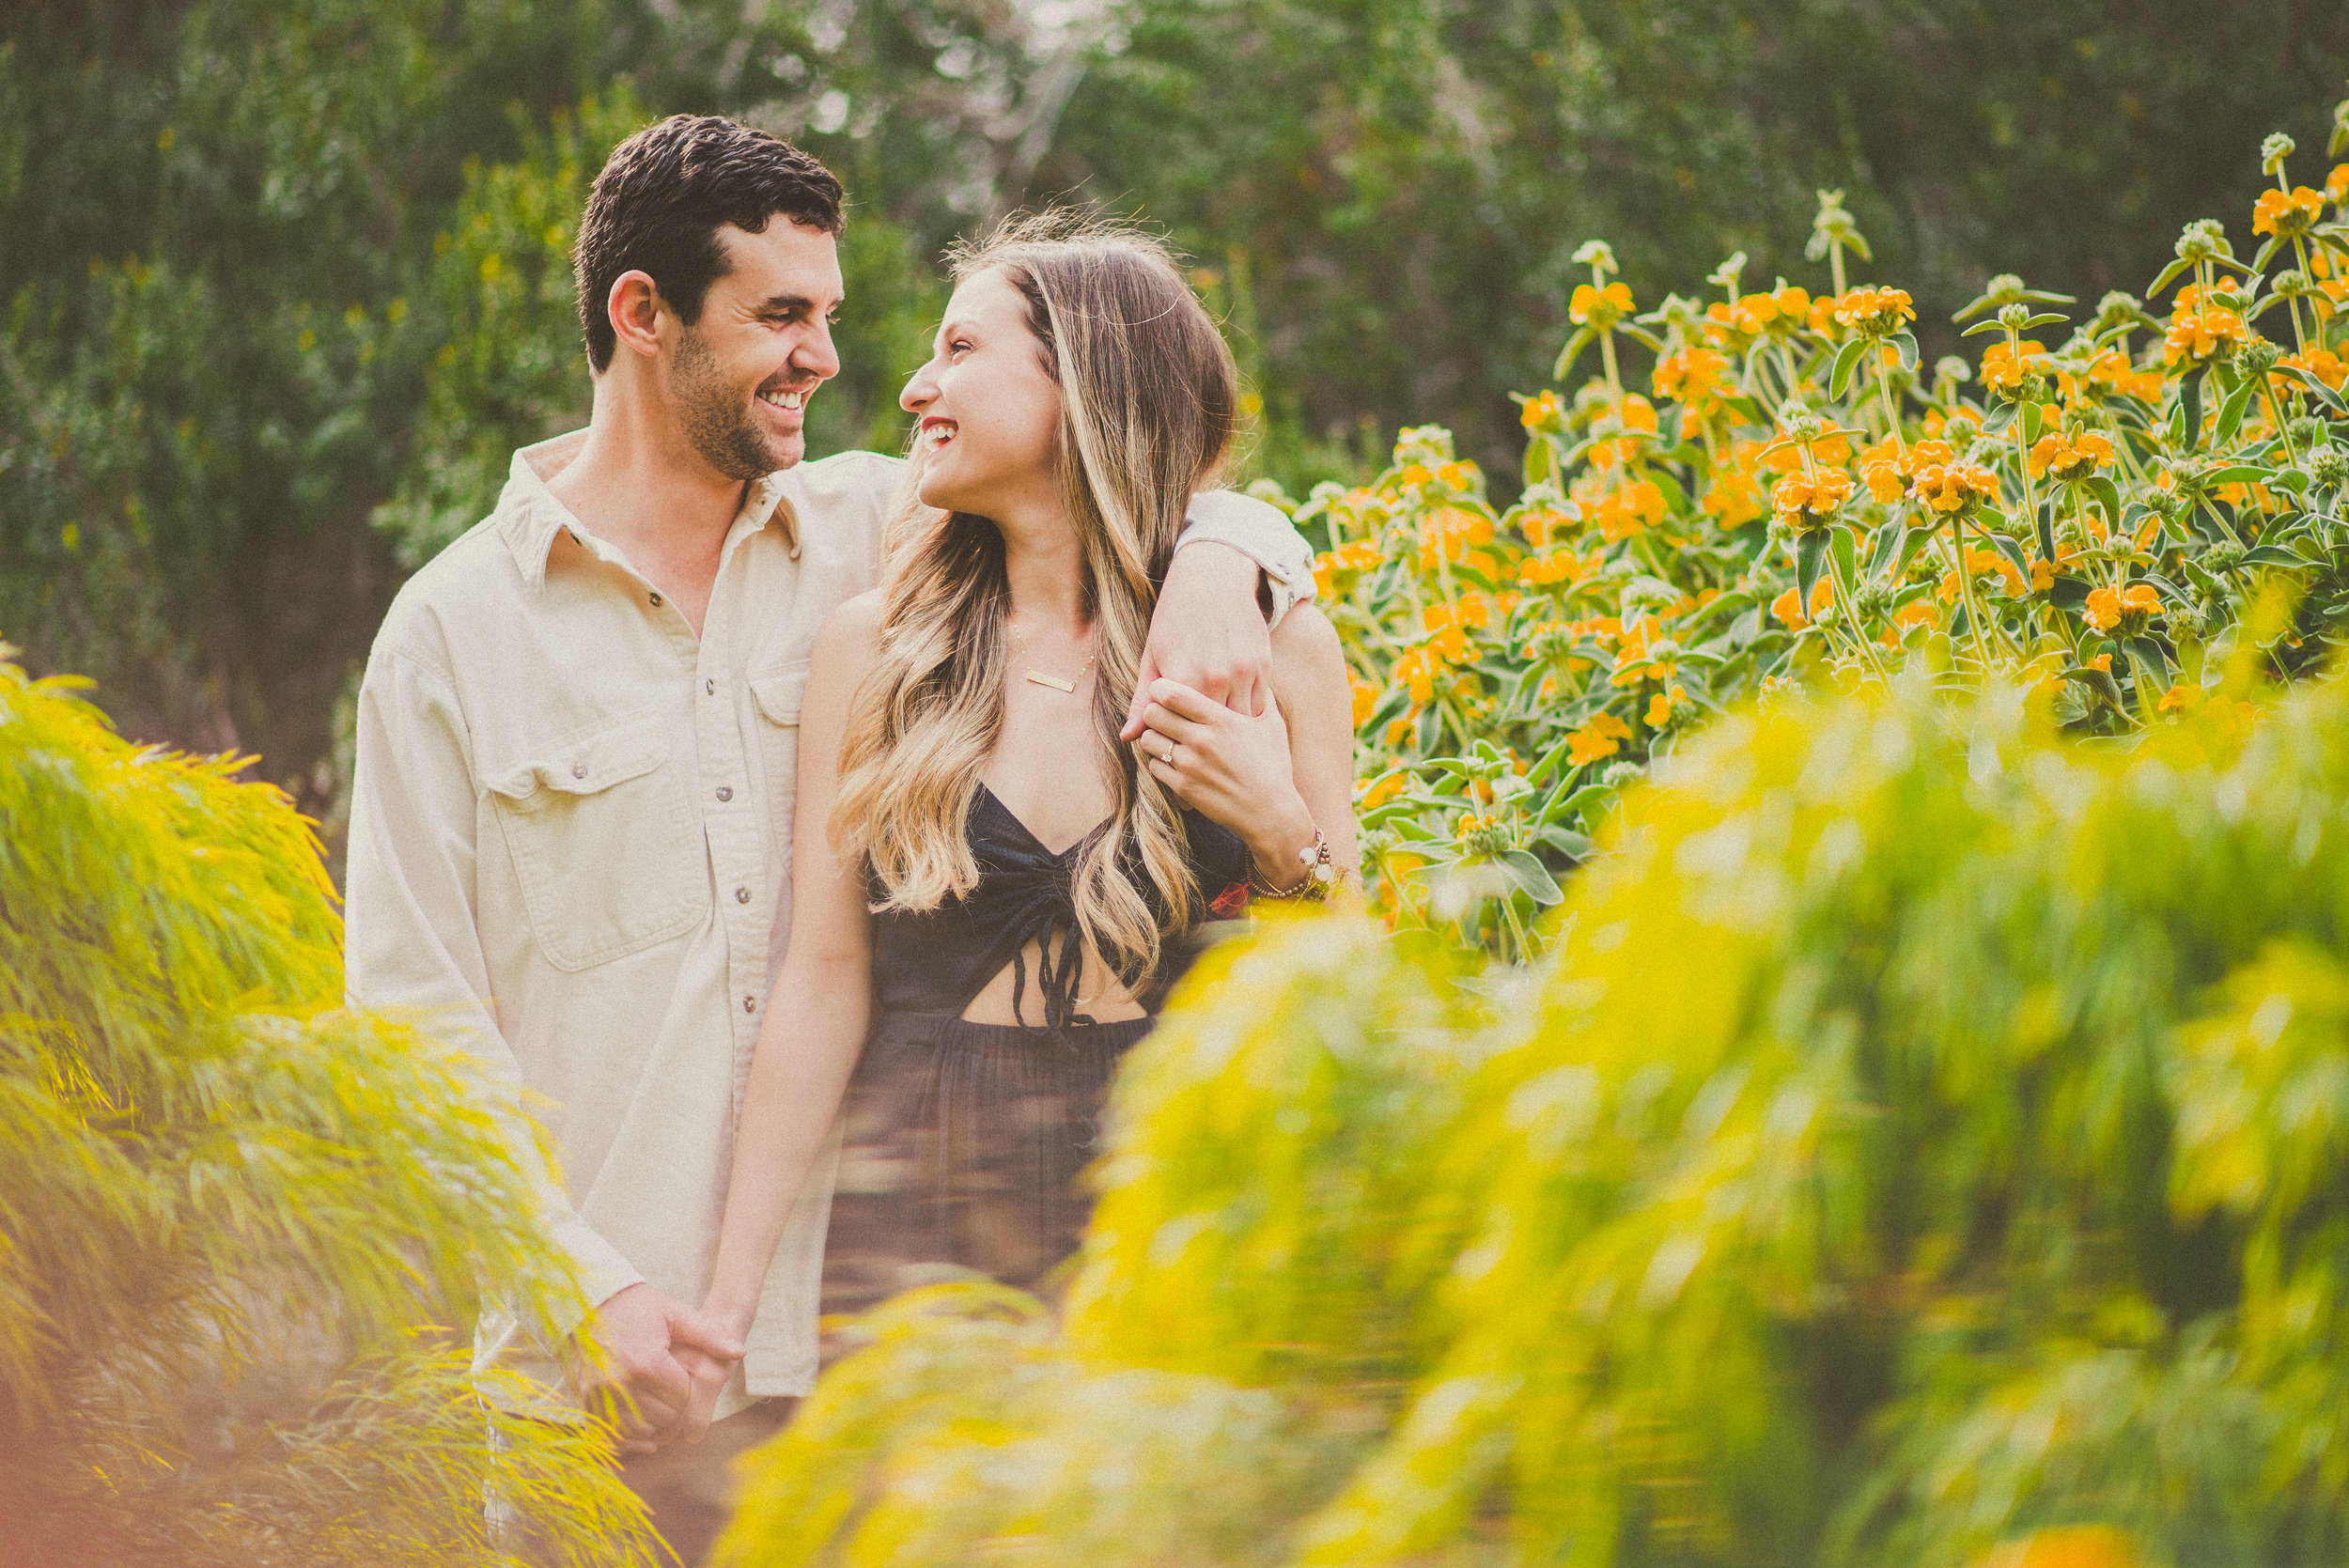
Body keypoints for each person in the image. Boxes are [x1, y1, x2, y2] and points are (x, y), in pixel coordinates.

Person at [341, 115, 1316, 1544]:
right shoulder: (451, 640)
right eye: (782, 316)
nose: (831, 359)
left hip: (865, 1330)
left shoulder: (884, 535)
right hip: (614, 1379)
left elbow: (1122, 467)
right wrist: (577, 1283)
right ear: (643, 316)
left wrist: (1231, 560)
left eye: (835, 315)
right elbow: (412, 1031)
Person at [692, 212, 1356, 1396]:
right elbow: (825, 977)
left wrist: (1276, 834)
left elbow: (1341, 994)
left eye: (959, 350)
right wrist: (730, 1306)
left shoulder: (1271, 646)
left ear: (1084, 380)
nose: (912, 388)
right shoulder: (875, 652)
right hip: (926, 1179)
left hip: (1174, 1188)